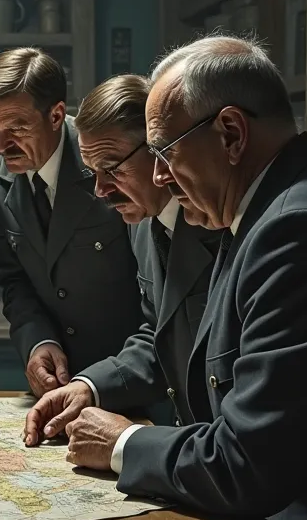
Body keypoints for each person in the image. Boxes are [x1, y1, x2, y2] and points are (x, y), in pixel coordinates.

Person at [30, 35, 307, 520]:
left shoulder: (300, 231)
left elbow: (245, 465)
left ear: (231, 133)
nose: (161, 176)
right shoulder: (268, 211)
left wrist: (126, 442)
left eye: (164, 152)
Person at [22, 74, 222, 436]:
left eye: (112, 169)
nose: (100, 191)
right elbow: (157, 335)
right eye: (92, 172)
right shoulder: (141, 222)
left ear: (159, 152)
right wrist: (89, 387)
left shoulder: (218, 224)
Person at [0, 48, 142, 399]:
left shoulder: (105, 158)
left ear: (56, 115)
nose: (2, 145)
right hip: (54, 383)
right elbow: (13, 278)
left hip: (131, 376)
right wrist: (37, 342)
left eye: (17, 128)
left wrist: (102, 382)